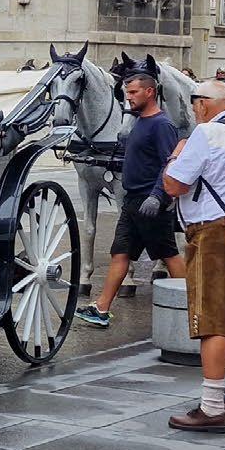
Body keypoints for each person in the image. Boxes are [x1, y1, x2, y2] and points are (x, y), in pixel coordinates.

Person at [162, 79, 225, 433]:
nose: (194, 111)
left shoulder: (206, 134)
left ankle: (211, 407)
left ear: (204, 103)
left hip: (214, 234)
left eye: (195, 104)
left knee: (212, 321)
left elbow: (174, 185)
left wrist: (175, 156)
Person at [76, 74, 184, 329]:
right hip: (132, 201)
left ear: (150, 92)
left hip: (151, 204)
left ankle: (192, 306)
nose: (129, 97)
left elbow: (170, 164)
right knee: (120, 253)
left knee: (169, 256)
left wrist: (157, 196)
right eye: (127, 92)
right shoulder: (137, 123)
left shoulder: (162, 125)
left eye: (134, 92)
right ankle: (102, 308)